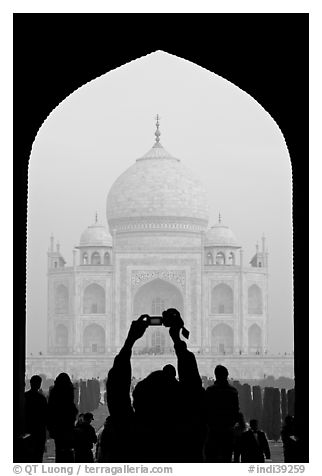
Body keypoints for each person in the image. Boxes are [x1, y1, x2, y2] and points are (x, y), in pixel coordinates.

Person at [104, 310, 205, 462]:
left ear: (137, 401)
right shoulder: (189, 431)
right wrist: (177, 339)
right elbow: (193, 389)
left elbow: (116, 392)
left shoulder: (131, 432)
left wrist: (130, 340)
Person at [204, 365, 240, 462]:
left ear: (216, 375)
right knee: (226, 458)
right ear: (226, 375)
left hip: (213, 430)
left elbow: (205, 411)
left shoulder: (210, 391)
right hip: (227, 431)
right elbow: (236, 411)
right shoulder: (233, 391)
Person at [47, 372, 78, 462]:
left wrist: (50, 426)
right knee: (68, 448)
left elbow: (50, 408)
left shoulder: (54, 391)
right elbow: (72, 407)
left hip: (57, 425)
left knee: (59, 448)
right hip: (68, 424)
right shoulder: (69, 390)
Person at [24, 375, 48, 462]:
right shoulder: (41, 398)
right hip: (39, 431)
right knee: (38, 457)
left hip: (27, 428)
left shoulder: (24, 396)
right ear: (39, 385)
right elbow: (45, 416)